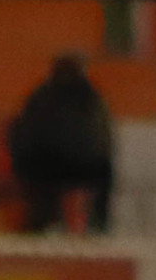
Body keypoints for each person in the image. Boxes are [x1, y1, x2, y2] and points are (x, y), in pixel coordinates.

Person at [6, 54, 114, 235]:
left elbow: (22, 132)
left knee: (37, 184)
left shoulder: (40, 96)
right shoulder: (91, 98)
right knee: (101, 175)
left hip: (45, 168)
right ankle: (95, 224)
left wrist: (21, 160)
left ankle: (40, 223)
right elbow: (103, 138)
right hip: (85, 169)